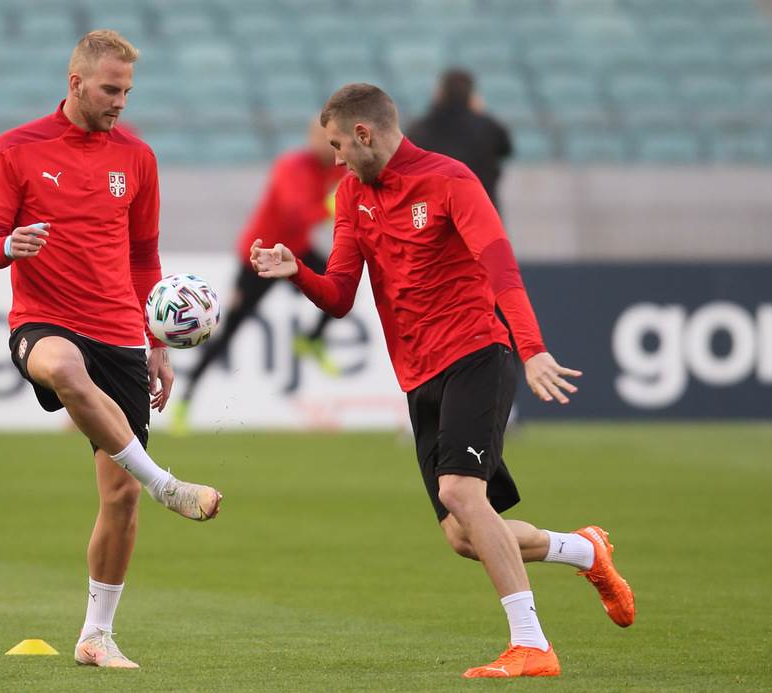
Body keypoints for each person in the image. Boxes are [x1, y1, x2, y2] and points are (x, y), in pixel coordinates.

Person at [251, 84, 634, 679]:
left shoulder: (450, 179)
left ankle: (532, 644)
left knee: (461, 493)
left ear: (363, 134)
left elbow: (500, 265)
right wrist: (296, 269)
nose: (333, 161)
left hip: (477, 353)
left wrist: (531, 349)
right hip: (419, 374)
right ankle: (585, 550)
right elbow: (340, 296)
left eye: (336, 146)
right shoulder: (352, 194)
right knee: (462, 534)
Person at [0, 29, 222, 670]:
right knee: (61, 366)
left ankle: (96, 635)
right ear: (76, 82)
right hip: (44, 319)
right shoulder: (16, 148)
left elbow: (144, 255)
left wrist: (156, 342)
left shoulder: (137, 157)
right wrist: (10, 247)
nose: (120, 102)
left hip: (119, 330)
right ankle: (168, 484)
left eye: (128, 91)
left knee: (119, 498)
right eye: (111, 89)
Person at [170, 119, 345, 434]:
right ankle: (186, 397)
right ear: (310, 138)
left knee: (341, 285)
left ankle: (311, 340)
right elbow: (296, 211)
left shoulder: (336, 167)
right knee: (227, 332)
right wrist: (330, 207)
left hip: (295, 253)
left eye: (334, 139)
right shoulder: (292, 166)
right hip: (260, 256)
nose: (330, 146)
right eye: (323, 138)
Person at [407, 69, 512, 211]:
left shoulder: (420, 129)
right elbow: (506, 149)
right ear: (471, 96)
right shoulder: (488, 127)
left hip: (435, 219)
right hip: (481, 215)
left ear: (440, 93)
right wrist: (481, 112)